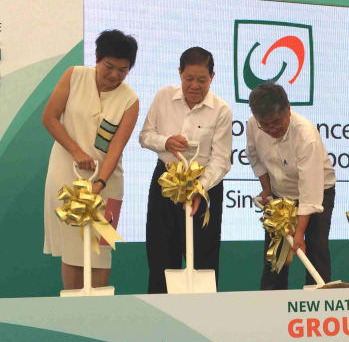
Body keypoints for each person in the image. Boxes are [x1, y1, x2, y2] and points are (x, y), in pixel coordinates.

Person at [42, 29, 139, 290]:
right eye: (109, 66)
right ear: (97, 58)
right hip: (66, 172)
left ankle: (97, 309)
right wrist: (76, 151)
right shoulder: (74, 75)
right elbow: (49, 118)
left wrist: (99, 185)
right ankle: (73, 309)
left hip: (109, 182)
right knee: (72, 247)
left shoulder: (131, 100)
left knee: (101, 249)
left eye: (123, 70)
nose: (115, 75)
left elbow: (116, 149)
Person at [139, 47, 232, 293]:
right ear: (179, 73)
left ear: (212, 77)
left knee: (204, 259)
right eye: (189, 78)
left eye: (202, 80)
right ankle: (161, 319)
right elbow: (145, 136)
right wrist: (166, 142)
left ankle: (204, 321)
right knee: (160, 257)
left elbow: (221, 160)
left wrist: (200, 188)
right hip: (166, 181)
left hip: (204, 187)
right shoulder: (163, 97)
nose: (194, 86)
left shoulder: (221, 110)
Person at [246, 82, 335, 290]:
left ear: (288, 109)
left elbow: (310, 192)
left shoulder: (305, 136)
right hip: (279, 195)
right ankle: (270, 308)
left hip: (317, 192)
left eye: (276, 122)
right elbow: (254, 156)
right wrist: (267, 189)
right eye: (265, 125)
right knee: (275, 255)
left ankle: (319, 308)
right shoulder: (253, 123)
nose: (271, 130)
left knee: (314, 251)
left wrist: (299, 233)